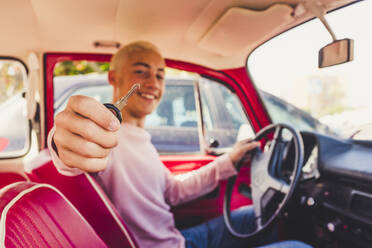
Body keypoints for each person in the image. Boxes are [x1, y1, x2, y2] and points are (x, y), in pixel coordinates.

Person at [48, 41, 311, 248]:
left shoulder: (141, 139)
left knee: (257, 214)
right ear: (114, 78)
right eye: (141, 71)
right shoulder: (107, 136)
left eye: (160, 75)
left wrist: (228, 161)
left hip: (178, 239)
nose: (153, 82)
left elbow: (172, 191)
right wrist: (64, 142)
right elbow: (71, 155)